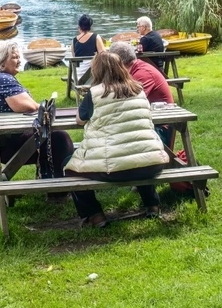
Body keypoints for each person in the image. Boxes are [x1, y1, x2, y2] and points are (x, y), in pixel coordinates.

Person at [64, 52, 170, 227]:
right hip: (152, 163)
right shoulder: (139, 89)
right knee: (139, 152)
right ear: (121, 67)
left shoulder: (95, 93)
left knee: (69, 165)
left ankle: (95, 215)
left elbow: (79, 119)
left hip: (112, 168)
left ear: (96, 71)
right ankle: (152, 205)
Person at [0, 40, 74, 202]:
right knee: (59, 138)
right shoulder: (2, 80)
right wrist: (44, 108)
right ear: (2, 61)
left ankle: (51, 183)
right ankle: (59, 191)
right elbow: (29, 106)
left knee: (48, 137)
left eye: (19, 57)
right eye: (15, 57)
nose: (20, 61)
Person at [110, 40, 174, 147]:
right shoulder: (136, 70)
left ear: (117, 62)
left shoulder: (141, 75)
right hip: (146, 124)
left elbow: (127, 103)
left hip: (158, 131)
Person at [72, 14, 106, 82]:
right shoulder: (96, 37)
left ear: (79, 26)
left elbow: (74, 57)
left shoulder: (74, 40)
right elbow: (103, 55)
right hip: (92, 76)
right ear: (90, 25)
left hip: (77, 76)